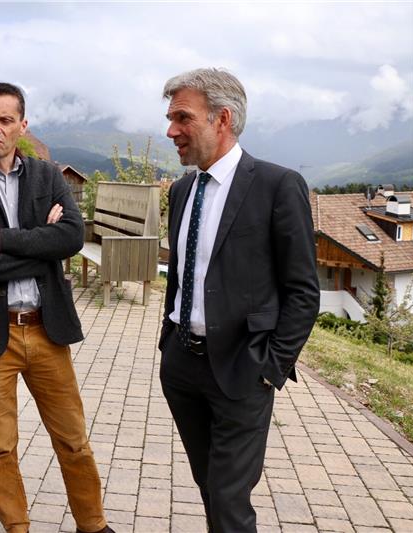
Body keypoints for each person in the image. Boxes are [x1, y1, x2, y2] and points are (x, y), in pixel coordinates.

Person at [0, 82, 113, 533]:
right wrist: (42, 245)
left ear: (22, 125)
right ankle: (17, 528)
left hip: (46, 329)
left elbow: (70, 237)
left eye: (5, 119)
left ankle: (93, 525)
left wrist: (2, 240)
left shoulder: (48, 177)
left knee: (73, 440)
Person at [158, 67, 320, 532]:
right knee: (210, 485)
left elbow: (303, 290)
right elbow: (183, 275)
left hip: (242, 369)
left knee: (230, 497)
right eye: (170, 119)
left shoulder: (276, 185)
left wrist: (270, 368)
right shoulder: (183, 189)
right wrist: (169, 344)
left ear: (222, 118)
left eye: (183, 118)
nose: (171, 131)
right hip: (182, 366)